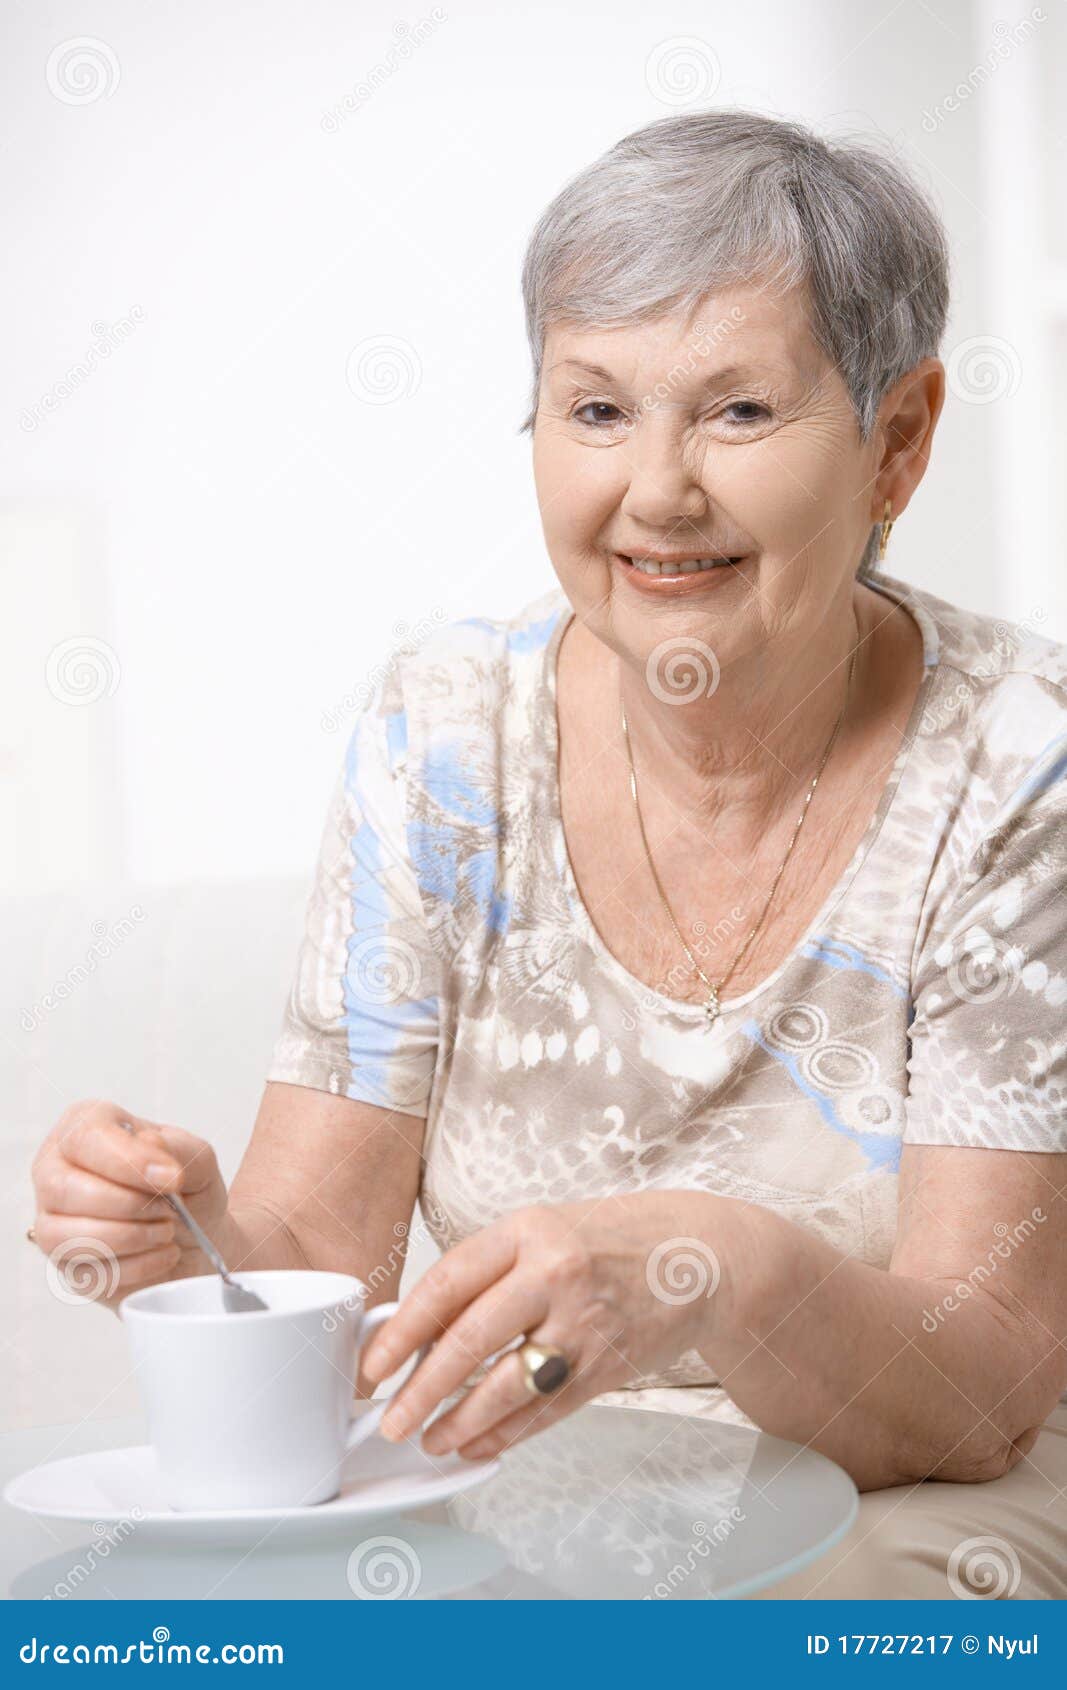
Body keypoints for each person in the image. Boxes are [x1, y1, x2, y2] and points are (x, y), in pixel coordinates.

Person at [30, 109, 1067, 1598]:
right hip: (513, 1496)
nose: (654, 491)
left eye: (737, 412)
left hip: (899, 1494)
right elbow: (326, 1248)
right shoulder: (443, 732)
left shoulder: (1021, 759)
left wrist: (710, 1267)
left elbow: (979, 1387)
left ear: (897, 439)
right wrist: (190, 1242)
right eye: (595, 411)